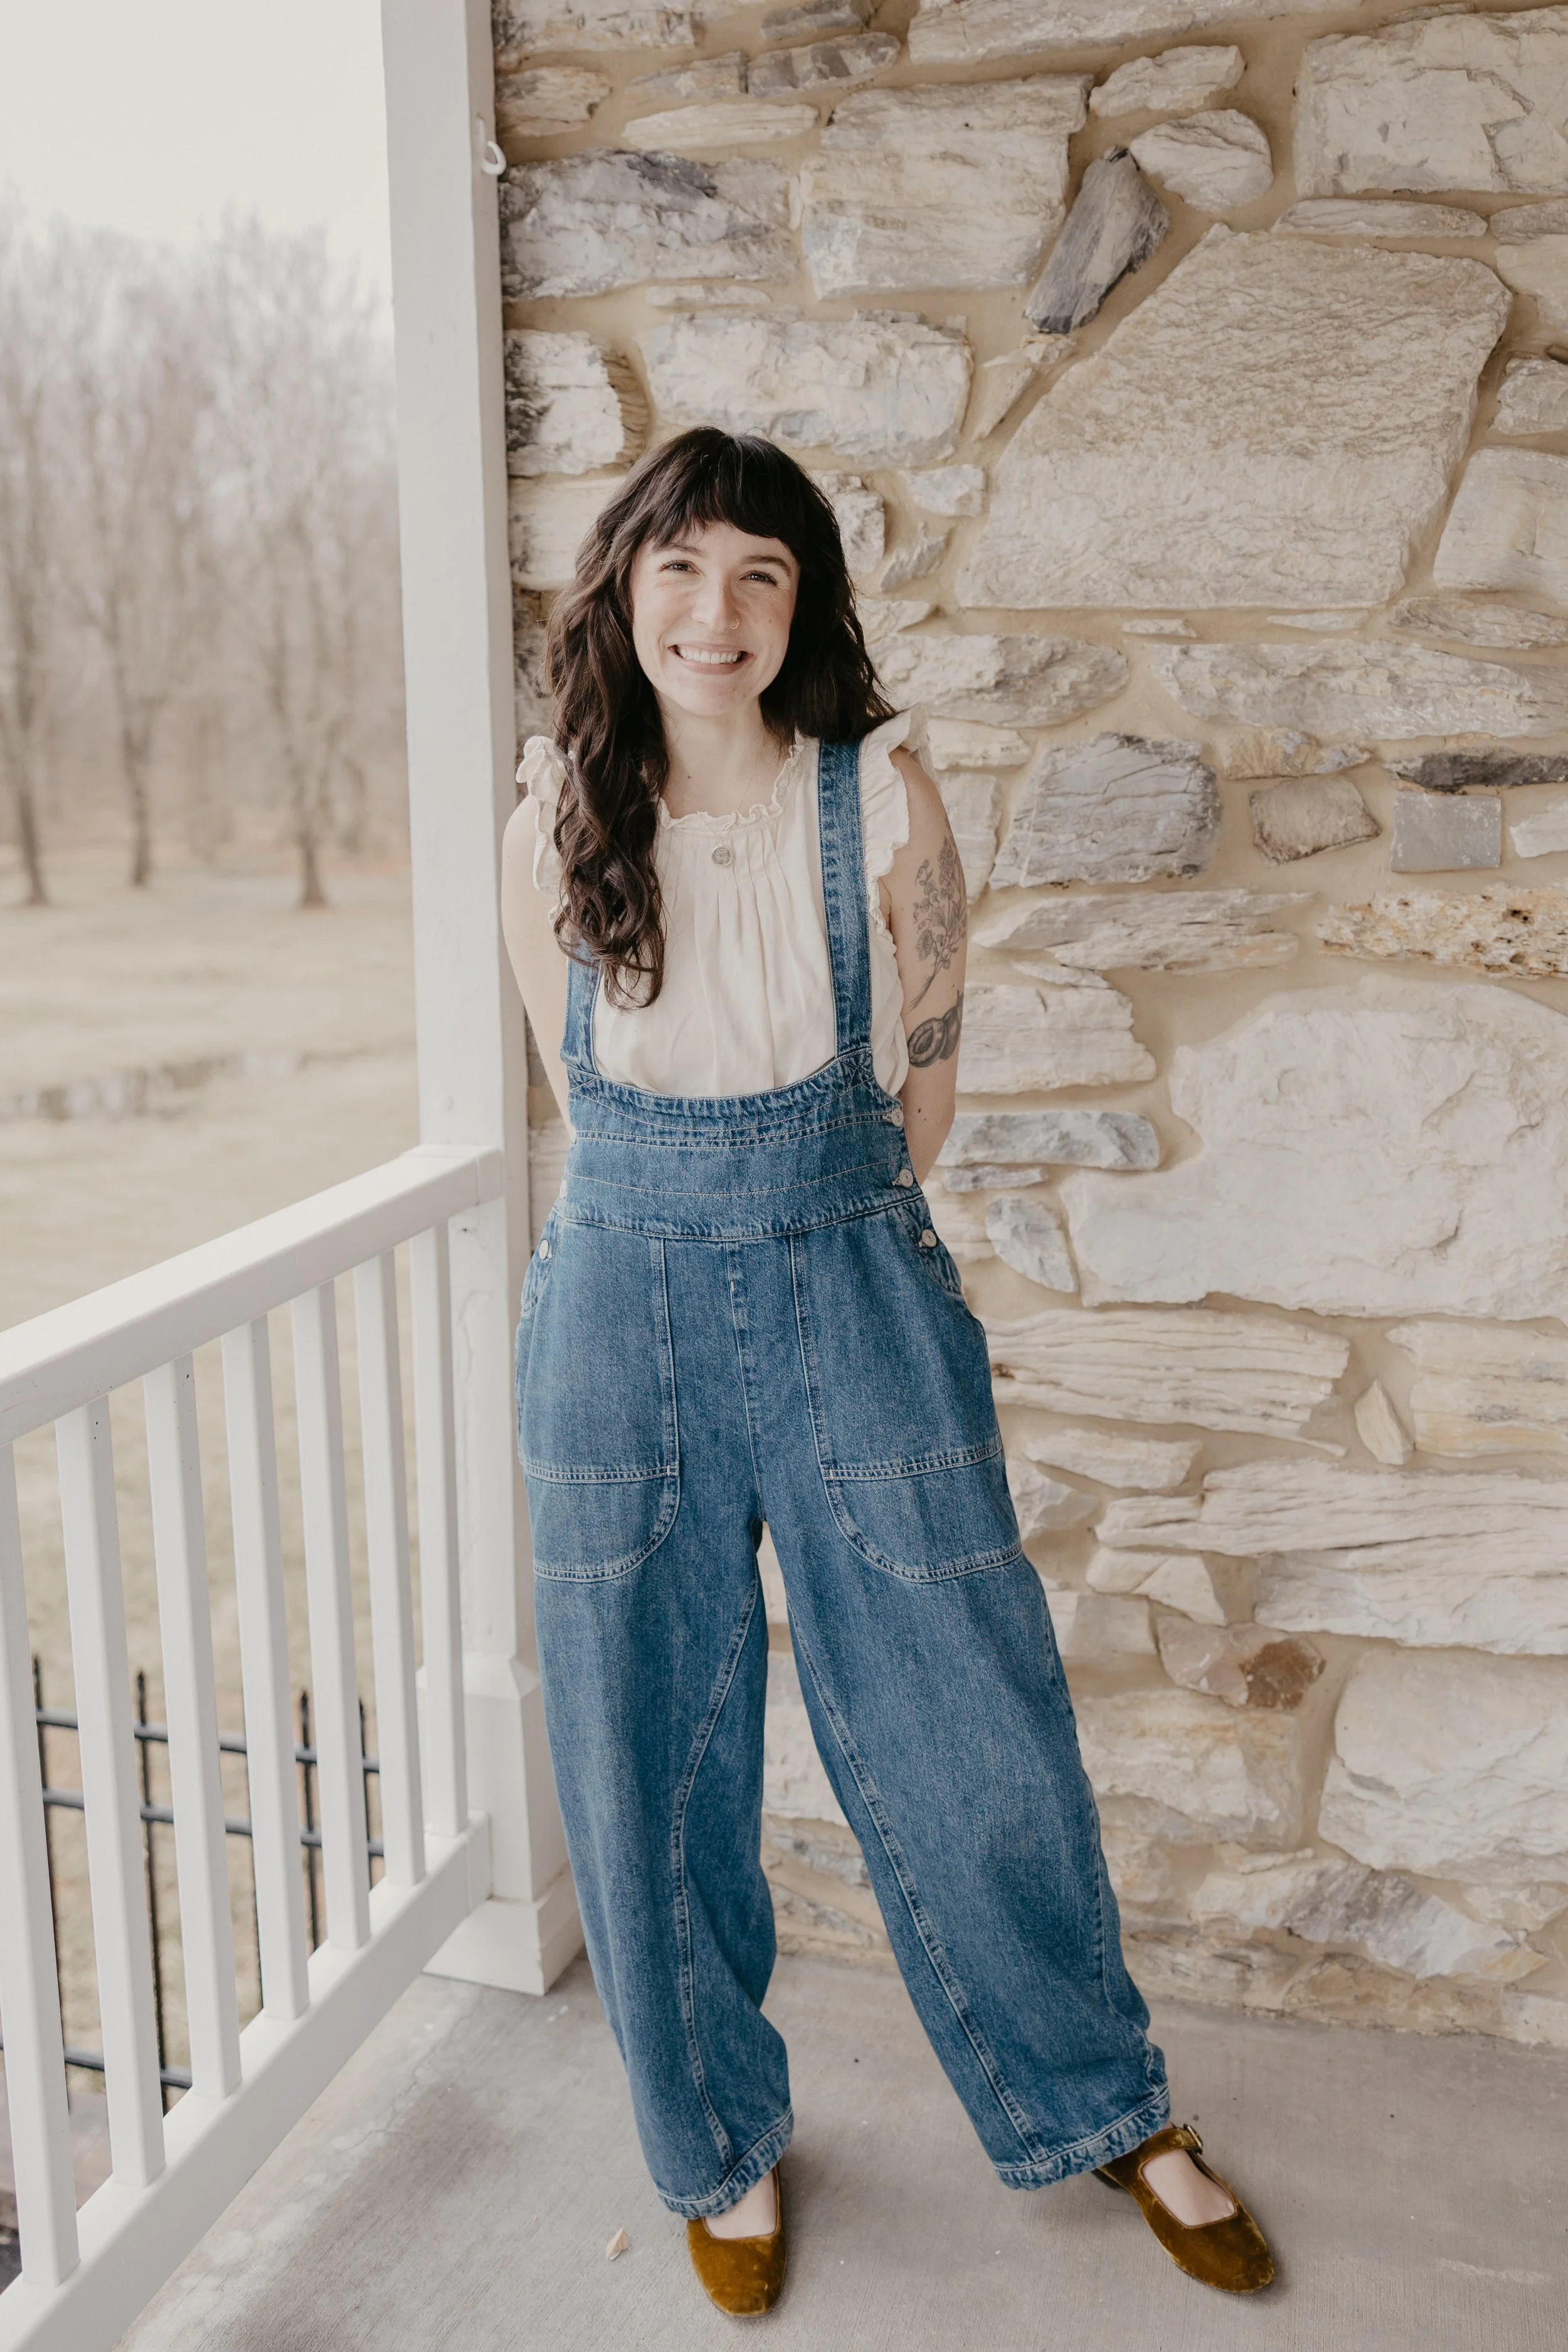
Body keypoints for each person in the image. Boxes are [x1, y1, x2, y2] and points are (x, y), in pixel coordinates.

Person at [500, 428, 1274, 2315]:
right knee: (641, 1740)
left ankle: (1105, 2106)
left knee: (966, 1716)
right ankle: (716, 2145)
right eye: (678, 568)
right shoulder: (553, 820)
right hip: (623, 1310)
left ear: (801, 607)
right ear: (622, 591)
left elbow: (919, 1099)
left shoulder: (884, 799)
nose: (716, 610)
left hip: (855, 1281)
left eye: (759, 574)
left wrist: (805, 1214)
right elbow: (575, 1091)